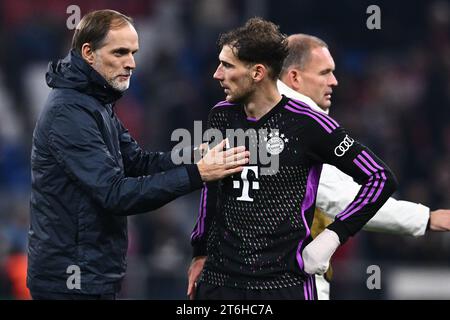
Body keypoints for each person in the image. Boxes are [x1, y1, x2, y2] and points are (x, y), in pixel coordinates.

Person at [187, 33, 450, 300]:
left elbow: (373, 182)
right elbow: (342, 197)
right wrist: (427, 218)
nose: (334, 81)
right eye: (325, 73)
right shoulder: (296, 125)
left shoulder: (294, 121)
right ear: (294, 77)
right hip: (282, 282)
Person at [27, 9, 249, 300]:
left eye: (133, 53)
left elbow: (137, 162)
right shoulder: (70, 113)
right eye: (120, 52)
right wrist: (199, 174)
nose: (131, 63)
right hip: (69, 282)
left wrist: (195, 157)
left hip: (91, 276)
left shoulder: (94, 102)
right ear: (88, 53)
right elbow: (115, 193)